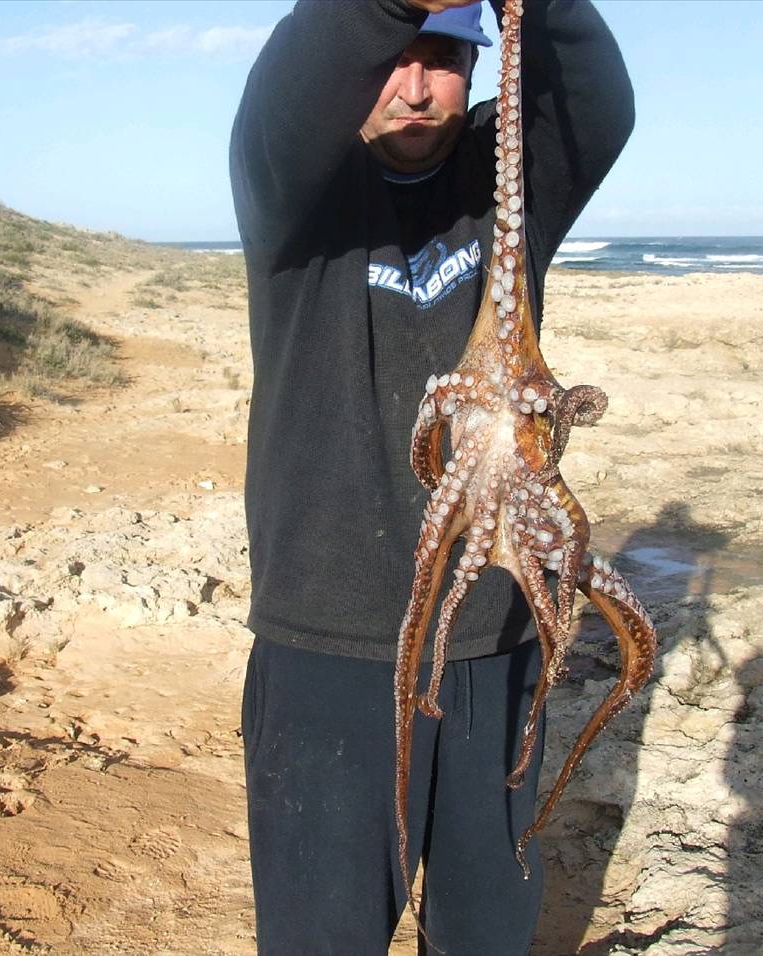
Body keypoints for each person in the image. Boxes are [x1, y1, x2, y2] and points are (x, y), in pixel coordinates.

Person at [229, 1, 633, 952]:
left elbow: (594, 105)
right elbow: (290, 90)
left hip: (497, 631)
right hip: (325, 644)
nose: (413, 87)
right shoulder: (296, 194)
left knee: (487, 928)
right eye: (391, 60)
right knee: (321, 935)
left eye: (443, 62)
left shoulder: (508, 192)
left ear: (474, 70)